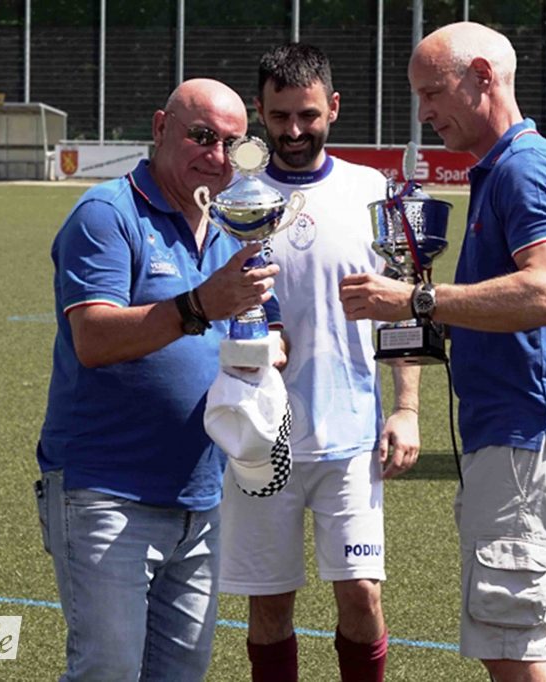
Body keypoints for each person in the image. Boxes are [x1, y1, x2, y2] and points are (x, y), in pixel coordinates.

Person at [339, 22, 546, 682]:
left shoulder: (525, 169)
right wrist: (424, 316)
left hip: (528, 435)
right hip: (518, 433)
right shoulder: (505, 168)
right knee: (511, 637)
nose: (424, 113)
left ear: (483, 77)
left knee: (514, 643)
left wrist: (418, 300)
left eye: (432, 93)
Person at [35, 78, 284, 682]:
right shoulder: (106, 213)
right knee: (108, 671)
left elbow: (268, 327)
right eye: (202, 136)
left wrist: (267, 357)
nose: (217, 156)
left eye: (232, 143)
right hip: (107, 493)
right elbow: (94, 339)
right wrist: (198, 306)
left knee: (180, 674)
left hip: (199, 499)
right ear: (160, 128)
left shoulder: (227, 222)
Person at [217, 43, 422, 682]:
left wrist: (407, 408)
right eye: (279, 116)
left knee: (362, 596)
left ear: (333, 106)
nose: (294, 131)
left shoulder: (373, 191)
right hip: (260, 437)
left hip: (351, 436)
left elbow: (403, 306)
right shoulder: (233, 197)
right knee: (269, 606)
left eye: (307, 115)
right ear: (260, 111)